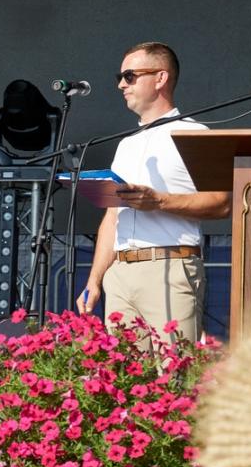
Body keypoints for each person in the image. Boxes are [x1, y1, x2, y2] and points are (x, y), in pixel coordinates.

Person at [76, 42, 230, 341]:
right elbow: (113, 216)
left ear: (160, 78)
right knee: (124, 368)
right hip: (120, 273)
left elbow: (221, 203)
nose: (121, 84)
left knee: (174, 365)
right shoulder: (126, 144)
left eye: (130, 76)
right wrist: (95, 279)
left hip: (169, 264)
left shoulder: (195, 134)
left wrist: (158, 200)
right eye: (120, 77)